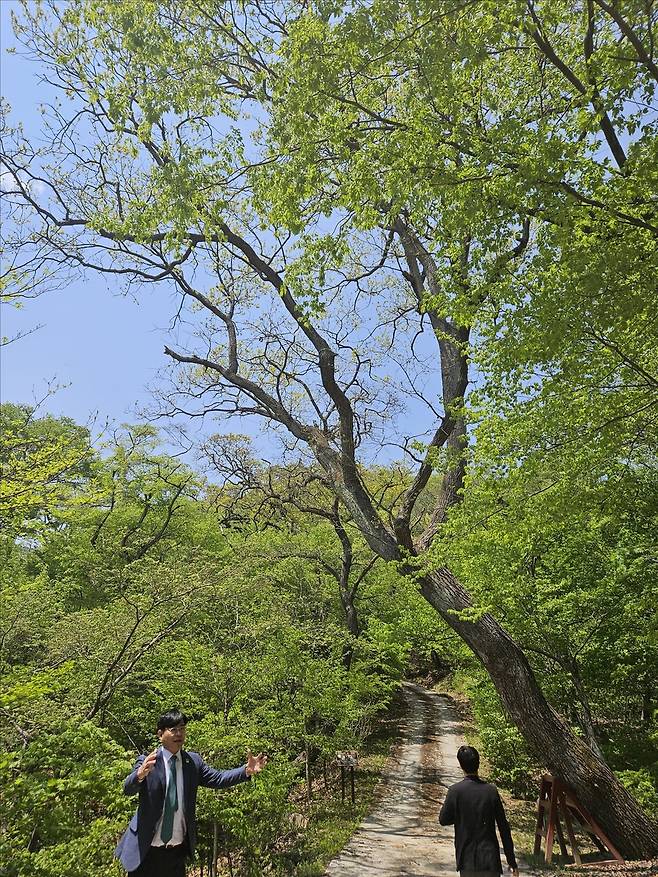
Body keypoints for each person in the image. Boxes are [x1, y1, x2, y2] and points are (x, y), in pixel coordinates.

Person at [115, 708, 267, 876]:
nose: (179, 733)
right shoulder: (148, 761)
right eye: (173, 730)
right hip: (145, 852)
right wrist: (140, 774)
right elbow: (128, 788)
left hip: (176, 854)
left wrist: (245, 770)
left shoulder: (192, 762)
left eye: (182, 729)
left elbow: (217, 778)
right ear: (160, 734)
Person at [439, 744, 519, 877]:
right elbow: (503, 827)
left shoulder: (455, 791)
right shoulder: (491, 791)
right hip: (490, 860)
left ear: (461, 765)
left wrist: (461, 815)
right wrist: (512, 861)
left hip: (467, 860)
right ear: (478, 764)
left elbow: (443, 820)